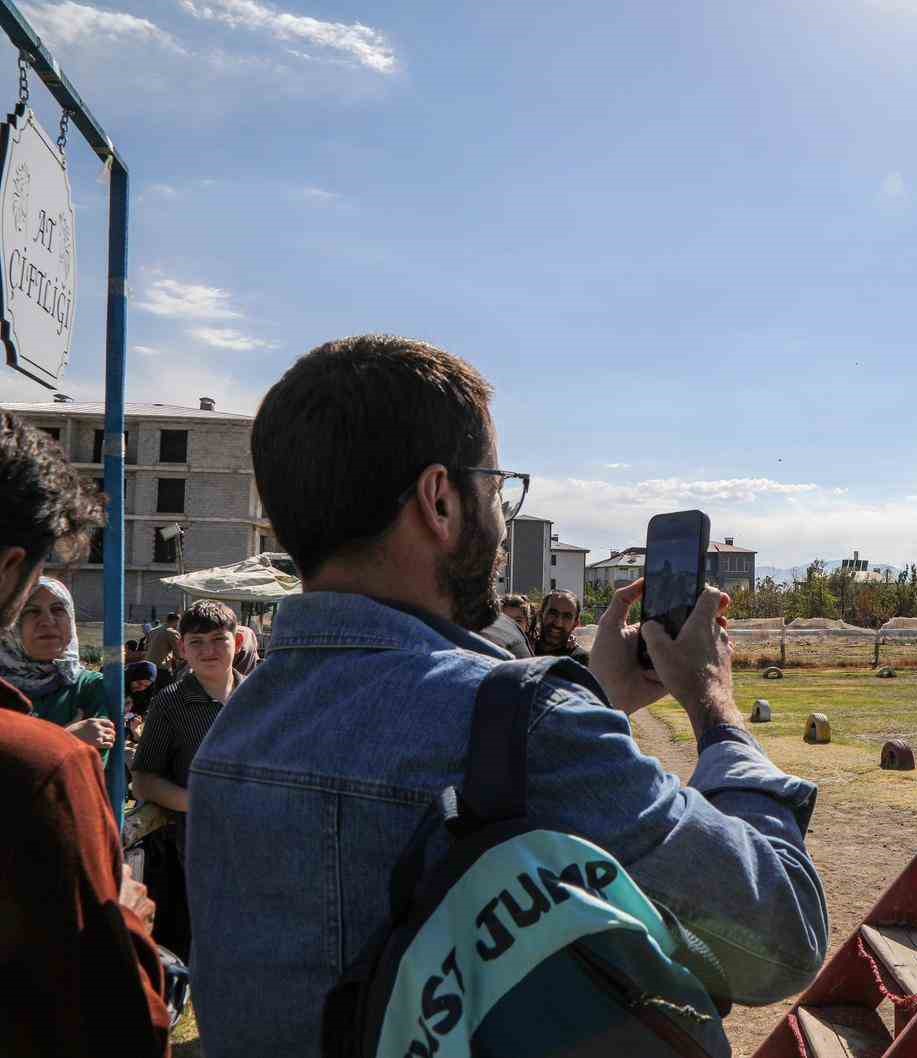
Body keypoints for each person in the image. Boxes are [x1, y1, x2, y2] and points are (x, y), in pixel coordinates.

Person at [187, 335, 827, 1057]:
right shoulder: (533, 728)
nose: (498, 522)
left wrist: (595, 698)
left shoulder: (231, 736)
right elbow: (781, 938)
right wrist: (715, 707)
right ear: (440, 500)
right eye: (495, 489)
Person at [0, 411, 170, 1056]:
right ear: (11, 568)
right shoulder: (43, 765)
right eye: (33, 605)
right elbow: (114, 1010)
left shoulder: (96, 685)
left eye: (59, 611)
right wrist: (125, 917)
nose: (46, 622)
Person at [131, 600, 238, 962]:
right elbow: (143, 780)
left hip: (261, 837)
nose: (209, 650)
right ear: (182, 648)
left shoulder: (259, 695)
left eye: (218, 639)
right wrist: (198, 801)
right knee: (212, 939)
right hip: (201, 845)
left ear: (237, 642)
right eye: (197, 642)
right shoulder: (170, 703)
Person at [0, 577, 114, 759]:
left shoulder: (90, 687)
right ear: (11, 624)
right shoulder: (4, 689)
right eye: (31, 611)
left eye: (58, 609)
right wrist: (66, 738)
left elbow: (90, 765)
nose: (48, 621)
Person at [533, 587, 590, 664]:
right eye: (553, 613)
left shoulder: (579, 661)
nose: (558, 623)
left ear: (575, 623)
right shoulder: (523, 651)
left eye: (567, 616)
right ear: (541, 615)